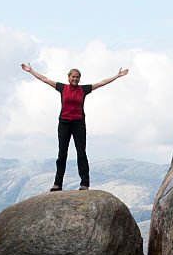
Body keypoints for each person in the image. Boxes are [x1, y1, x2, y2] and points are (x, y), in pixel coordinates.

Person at [21, 63, 129, 191]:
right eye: (73, 77)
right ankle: (57, 183)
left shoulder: (83, 89)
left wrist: (117, 76)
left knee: (81, 153)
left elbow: (101, 83)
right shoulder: (62, 88)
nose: (75, 79)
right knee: (62, 154)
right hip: (64, 123)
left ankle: (84, 183)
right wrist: (31, 71)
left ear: (79, 78)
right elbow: (45, 79)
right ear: (69, 78)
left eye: (77, 77)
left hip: (78, 123)